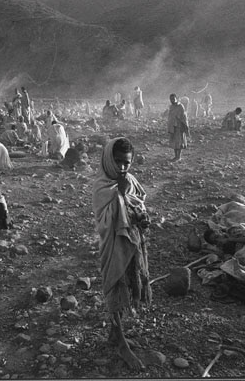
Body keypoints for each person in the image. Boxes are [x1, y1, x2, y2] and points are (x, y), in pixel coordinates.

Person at [92, 137, 151, 371]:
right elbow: (104, 221)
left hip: (133, 242)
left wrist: (140, 212)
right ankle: (121, 343)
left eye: (127, 162)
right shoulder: (102, 186)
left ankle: (115, 333)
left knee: (129, 282)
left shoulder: (131, 180)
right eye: (118, 162)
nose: (122, 167)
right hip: (114, 244)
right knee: (115, 284)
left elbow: (140, 204)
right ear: (108, 160)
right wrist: (122, 195)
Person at [166, 93, 190, 162]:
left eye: (173, 99)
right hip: (172, 127)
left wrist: (185, 126)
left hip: (179, 127)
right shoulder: (171, 107)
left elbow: (184, 117)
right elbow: (170, 116)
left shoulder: (180, 106)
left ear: (176, 99)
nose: (172, 100)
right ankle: (175, 156)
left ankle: (178, 156)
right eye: (171, 99)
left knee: (179, 142)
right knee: (174, 142)